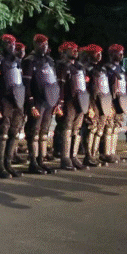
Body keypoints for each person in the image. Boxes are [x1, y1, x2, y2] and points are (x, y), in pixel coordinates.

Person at [21, 34, 61, 175]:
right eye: (41, 44)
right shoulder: (29, 61)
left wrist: (56, 101)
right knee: (34, 132)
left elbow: (54, 82)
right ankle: (33, 163)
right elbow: (26, 84)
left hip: (48, 100)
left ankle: (41, 161)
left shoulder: (50, 61)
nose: (44, 47)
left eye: (46, 44)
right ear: (35, 44)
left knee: (44, 132)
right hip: (37, 101)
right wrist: (31, 103)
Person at [0, 34, 25, 178]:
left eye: (13, 44)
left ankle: (8, 163)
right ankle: (0, 166)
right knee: (3, 133)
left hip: (17, 100)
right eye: (8, 44)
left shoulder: (17, 61)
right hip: (4, 99)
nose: (11, 46)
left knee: (14, 132)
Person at [55, 41, 88, 170]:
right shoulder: (61, 66)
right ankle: (65, 158)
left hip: (80, 101)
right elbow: (60, 86)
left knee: (76, 130)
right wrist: (59, 103)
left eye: (76, 49)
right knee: (67, 130)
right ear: (64, 52)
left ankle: (73, 156)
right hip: (68, 101)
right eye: (71, 49)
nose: (75, 51)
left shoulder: (79, 67)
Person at [83, 45, 113, 167]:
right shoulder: (86, 68)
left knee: (100, 130)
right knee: (92, 129)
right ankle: (88, 156)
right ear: (90, 55)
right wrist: (89, 106)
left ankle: (95, 155)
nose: (99, 55)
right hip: (93, 101)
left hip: (103, 101)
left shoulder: (102, 69)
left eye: (100, 53)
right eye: (97, 53)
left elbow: (106, 87)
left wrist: (110, 105)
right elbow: (85, 89)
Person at [105, 44, 127, 164]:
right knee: (109, 128)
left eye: (122, 53)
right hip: (111, 101)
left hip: (120, 101)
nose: (121, 55)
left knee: (116, 128)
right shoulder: (107, 68)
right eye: (119, 53)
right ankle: (106, 153)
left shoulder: (122, 68)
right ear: (112, 54)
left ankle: (113, 152)